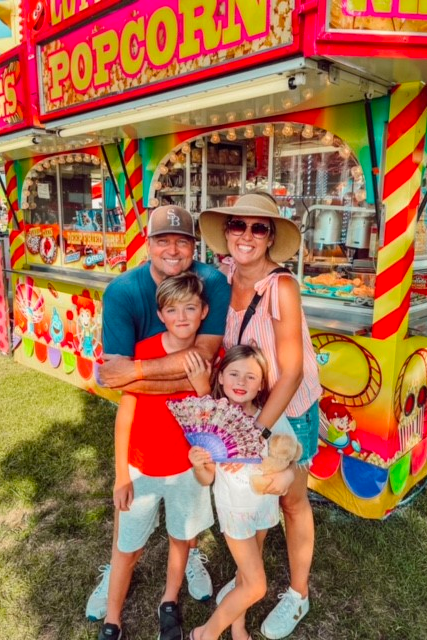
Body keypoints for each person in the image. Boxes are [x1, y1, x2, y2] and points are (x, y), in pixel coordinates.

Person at [86, 205, 230, 621]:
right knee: (132, 507)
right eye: (162, 240)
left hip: (188, 438)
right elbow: (117, 381)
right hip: (145, 437)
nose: (172, 249)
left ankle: (191, 556)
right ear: (147, 245)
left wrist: (137, 371)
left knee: (187, 504)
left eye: (182, 241)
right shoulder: (123, 292)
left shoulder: (211, 283)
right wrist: (154, 377)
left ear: (193, 248)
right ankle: (116, 569)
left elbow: (203, 360)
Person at [199, 193, 322, 639]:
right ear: (226, 231)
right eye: (238, 225)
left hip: (288, 409)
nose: (246, 235)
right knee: (256, 496)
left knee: (290, 501)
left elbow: (291, 373)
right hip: (248, 407)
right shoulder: (222, 277)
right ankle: (248, 579)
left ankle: (298, 593)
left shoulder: (281, 287)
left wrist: (254, 432)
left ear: (270, 237)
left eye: (258, 228)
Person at [98, 272, 215, 640]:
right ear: (161, 315)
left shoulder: (208, 357)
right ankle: (112, 618)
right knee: (127, 545)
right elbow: (125, 417)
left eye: (190, 308)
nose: (182, 317)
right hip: (142, 467)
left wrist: (203, 389)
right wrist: (121, 475)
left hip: (186, 468)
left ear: (203, 312)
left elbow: (211, 422)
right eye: (172, 310)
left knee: (181, 538)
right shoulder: (145, 350)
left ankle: (169, 600)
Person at [185, 345, 297, 640]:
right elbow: (207, 478)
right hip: (235, 513)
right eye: (234, 374)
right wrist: (198, 465)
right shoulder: (213, 423)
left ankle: (238, 628)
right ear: (221, 378)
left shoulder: (269, 417)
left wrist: (287, 474)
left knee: (246, 574)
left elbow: (292, 457)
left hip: (264, 510)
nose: (241, 382)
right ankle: (204, 634)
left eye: (251, 377)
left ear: (261, 384)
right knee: (256, 586)